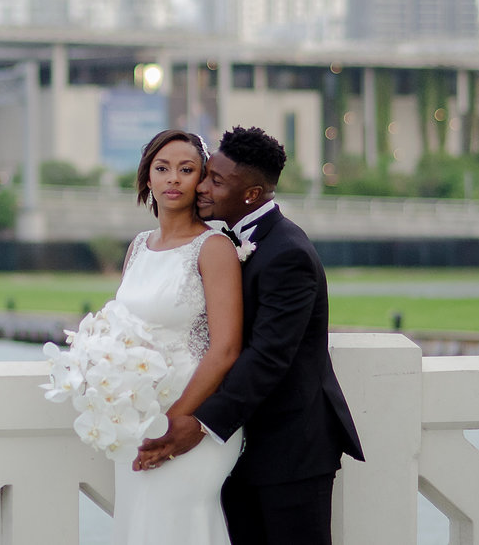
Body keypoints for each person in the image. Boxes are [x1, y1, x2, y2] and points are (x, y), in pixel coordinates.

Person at [135, 126, 365, 545]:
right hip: (241, 448)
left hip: (291, 449)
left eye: (215, 180)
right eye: (206, 174)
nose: (201, 186)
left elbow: (269, 357)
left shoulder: (287, 252)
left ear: (252, 194)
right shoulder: (230, 239)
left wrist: (199, 423)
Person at [111, 129, 245, 544]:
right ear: (147, 177)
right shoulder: (138, 246)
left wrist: (176, 422)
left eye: (186, 170)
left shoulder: (214, 247)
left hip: (191, 420)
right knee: (140, 524)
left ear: (201, 179)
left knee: (176, 524)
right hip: (137, 418)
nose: (173, 179)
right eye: (162, 168)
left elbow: (225, 348)